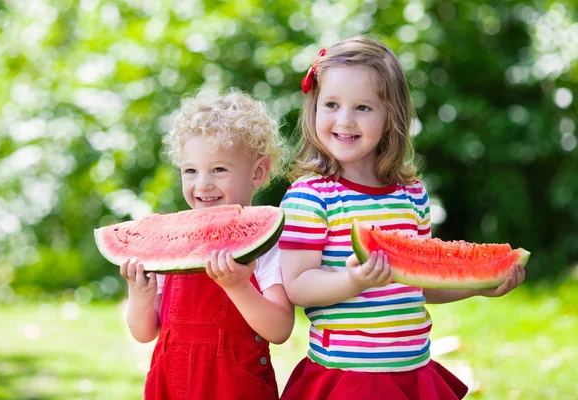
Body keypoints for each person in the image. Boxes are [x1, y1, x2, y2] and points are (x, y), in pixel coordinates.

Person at [278, 36, 525, 400]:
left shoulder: (411, 194)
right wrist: (354, 281)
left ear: (391, 115)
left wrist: (479, 285)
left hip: (412, 372)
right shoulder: (310, 196)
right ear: (314, 108)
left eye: (363, 108)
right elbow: (298, 286)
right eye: (331, 104)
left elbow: (420, 282)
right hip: (349, 377)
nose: (344, 120)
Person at [119, 89, 294, 400]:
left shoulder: (265, 244)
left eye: (219, 169)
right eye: (190, 171)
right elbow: (144, 333)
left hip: (236, 389)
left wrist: (239, 286)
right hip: (170, 385)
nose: (203, 184)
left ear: (258, 171)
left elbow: (280, 329)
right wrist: (141, 298)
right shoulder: (170, 241)